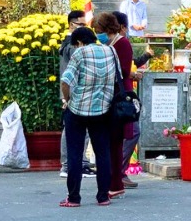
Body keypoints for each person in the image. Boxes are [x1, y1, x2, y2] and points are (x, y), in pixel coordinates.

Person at [59, 27, 115, 207]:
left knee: (74, 154)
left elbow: (66, 81)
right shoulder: (110, 50)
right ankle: (103, 196)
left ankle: (74, 198)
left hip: (77, 111)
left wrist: (67, 99)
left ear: (79, 43)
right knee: (103, 154)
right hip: (103, 110)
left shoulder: (80, 53)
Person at [93, 12, 133, 200]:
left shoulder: (121, 43)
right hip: (110, 94)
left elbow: (124, 70)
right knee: (110, 142)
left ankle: (116, 183)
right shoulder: (109, 45)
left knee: (115, 142)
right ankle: (112, 182)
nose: (98, 34)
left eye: (99, 30)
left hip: (119, 96)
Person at [111, 11, 148, 190]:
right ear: (123, 27)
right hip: (123, 94)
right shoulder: (121, 42)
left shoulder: (111, 42)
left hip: (116, 92)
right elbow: (124, 70)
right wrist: (133, 74)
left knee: (123, 133)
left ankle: (117, 171)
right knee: (132, 130)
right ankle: (118, 170)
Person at [58, 10, 95, 179]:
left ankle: (81, 163)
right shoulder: (69, 44)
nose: (84, 28)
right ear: (72, 25)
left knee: (83, 130)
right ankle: (68, 165)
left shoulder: (72, 43)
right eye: (81, 25)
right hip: (71, 93)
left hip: (79, 91)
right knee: (71, 129)